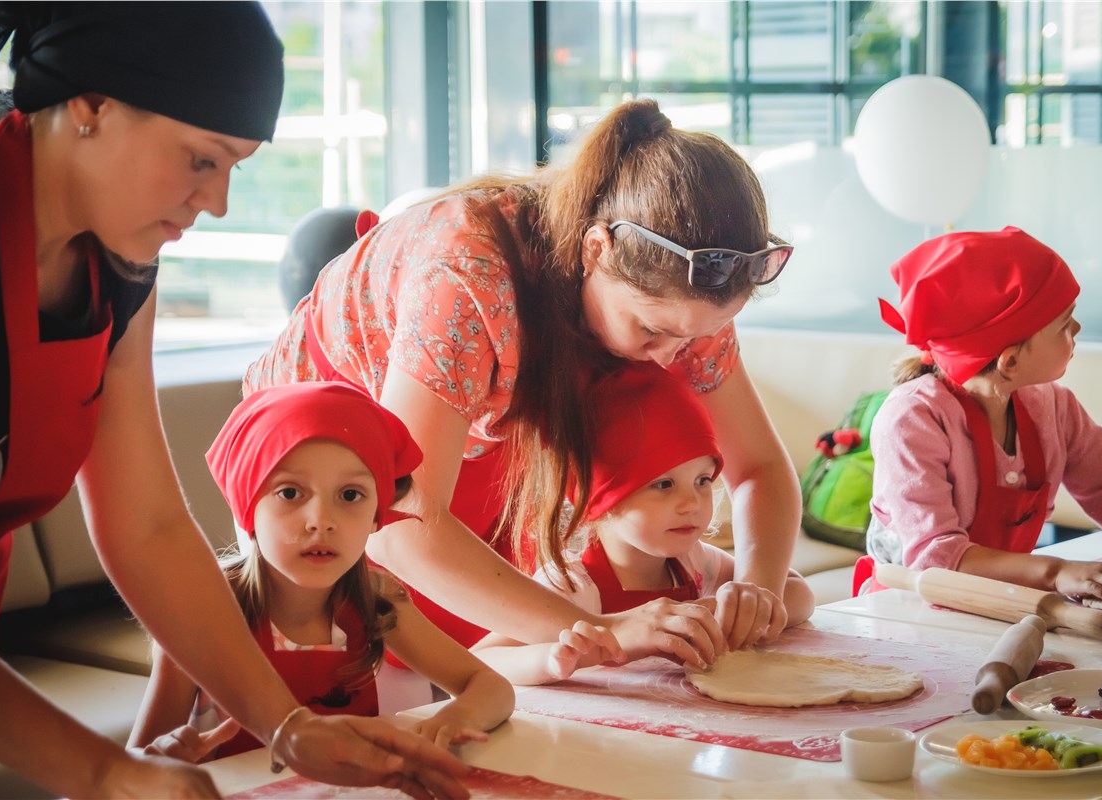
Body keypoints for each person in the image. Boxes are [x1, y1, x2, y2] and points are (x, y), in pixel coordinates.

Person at [0, 4, 468, 798]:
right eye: (201, 160)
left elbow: (146, 528)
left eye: (235, 167)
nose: (219, 204)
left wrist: (288, 726)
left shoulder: (119, 270)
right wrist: (108, 773)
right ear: (91, 105)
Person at [245, 98, 806, 671]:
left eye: (692, 338)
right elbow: (402, 526)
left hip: (473, 437)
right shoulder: (468, 274)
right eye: (651, 330)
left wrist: (757, 587)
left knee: (505, 667)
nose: (670, 360)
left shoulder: (691, 297)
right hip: (321, 445)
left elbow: (758, 466)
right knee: (363, 670)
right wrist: (604, 629)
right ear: (595, 250)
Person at [131, 382, 514, 761]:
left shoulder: (377, 600)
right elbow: (137, 764)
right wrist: (166, 756)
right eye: (290, 493)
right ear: (247, 508)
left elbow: (492, 688)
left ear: (375, 517)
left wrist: (456, 715)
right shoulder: (199, 613)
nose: (321, 521)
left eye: (350, 495)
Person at [861, 226, 1102, 597]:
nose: (1077, 328)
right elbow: (937, 557)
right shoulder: (911, 420)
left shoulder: (1055, 408)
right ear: (1010, 361)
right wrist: (1056, 572)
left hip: (1005, 607)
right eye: (1065, 322)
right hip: (906, 615)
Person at [472, 362, 815, 685]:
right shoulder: (573, 587)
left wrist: (738, 603)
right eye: (663, 485)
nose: (692, 503)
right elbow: (481, 660)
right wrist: (550, 659)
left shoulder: (693, 564)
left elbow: (799, 594)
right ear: (599, 500)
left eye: (703, 480)